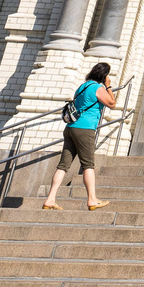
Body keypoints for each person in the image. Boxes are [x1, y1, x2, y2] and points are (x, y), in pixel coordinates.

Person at [43, 63, 116, 210]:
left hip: (71, 127)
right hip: (85, 129)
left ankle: (50, 199)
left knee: (63, 165)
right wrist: (108, 86)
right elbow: (112, 103)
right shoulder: (98, 88)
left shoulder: (81, 87)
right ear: (103, 76)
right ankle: (92, 199)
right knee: (88, 164)